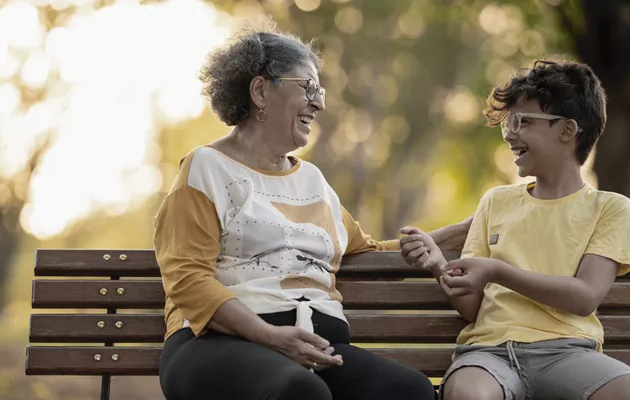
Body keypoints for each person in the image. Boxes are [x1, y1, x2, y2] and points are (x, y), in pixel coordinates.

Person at [152, 24, 469, 400]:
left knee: (409, 391)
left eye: (320, 91)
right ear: (260, 91)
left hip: (316, 349)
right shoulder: (206, 168)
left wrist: (471, 226)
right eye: (308, 87)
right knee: (300, 391)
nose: (319, 102)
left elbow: (364, 251)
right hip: (216, 343)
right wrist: (269, 336)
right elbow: (188, 278)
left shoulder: (314, 182)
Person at [399, 60, 630, 400]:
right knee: (469, 396)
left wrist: (497, 270)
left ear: (567, 131)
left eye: (522, 122)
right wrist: (439, 265)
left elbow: (585, 296)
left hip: (569, 353)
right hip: (488, 354)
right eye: (509, 123)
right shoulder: (496, 201)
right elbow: (471, 308)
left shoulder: (610, 208)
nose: (510, 134)